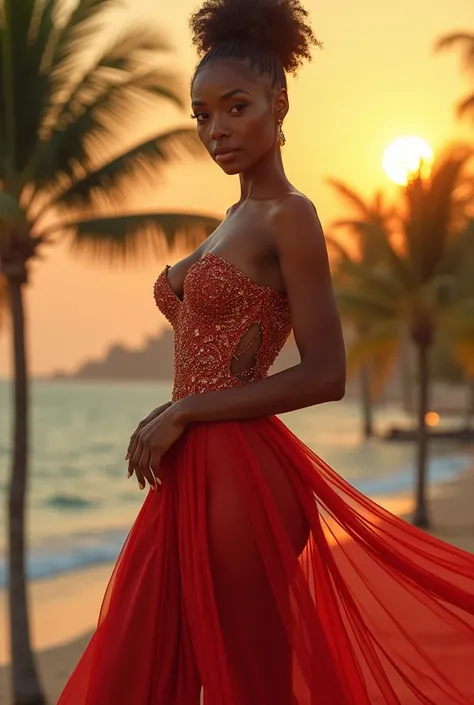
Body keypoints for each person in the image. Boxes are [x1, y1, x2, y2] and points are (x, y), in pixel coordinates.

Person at [57, 1, 474, 703]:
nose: (215, 129)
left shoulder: (292, 216)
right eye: (201, 114)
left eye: (236, 107)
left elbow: (327, 373)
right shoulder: (231, 219)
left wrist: (187, 408)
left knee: (249, 682)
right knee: (140, 667)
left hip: (244, 479)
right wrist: (181, 416)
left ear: (279, 104)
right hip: (190, 474)